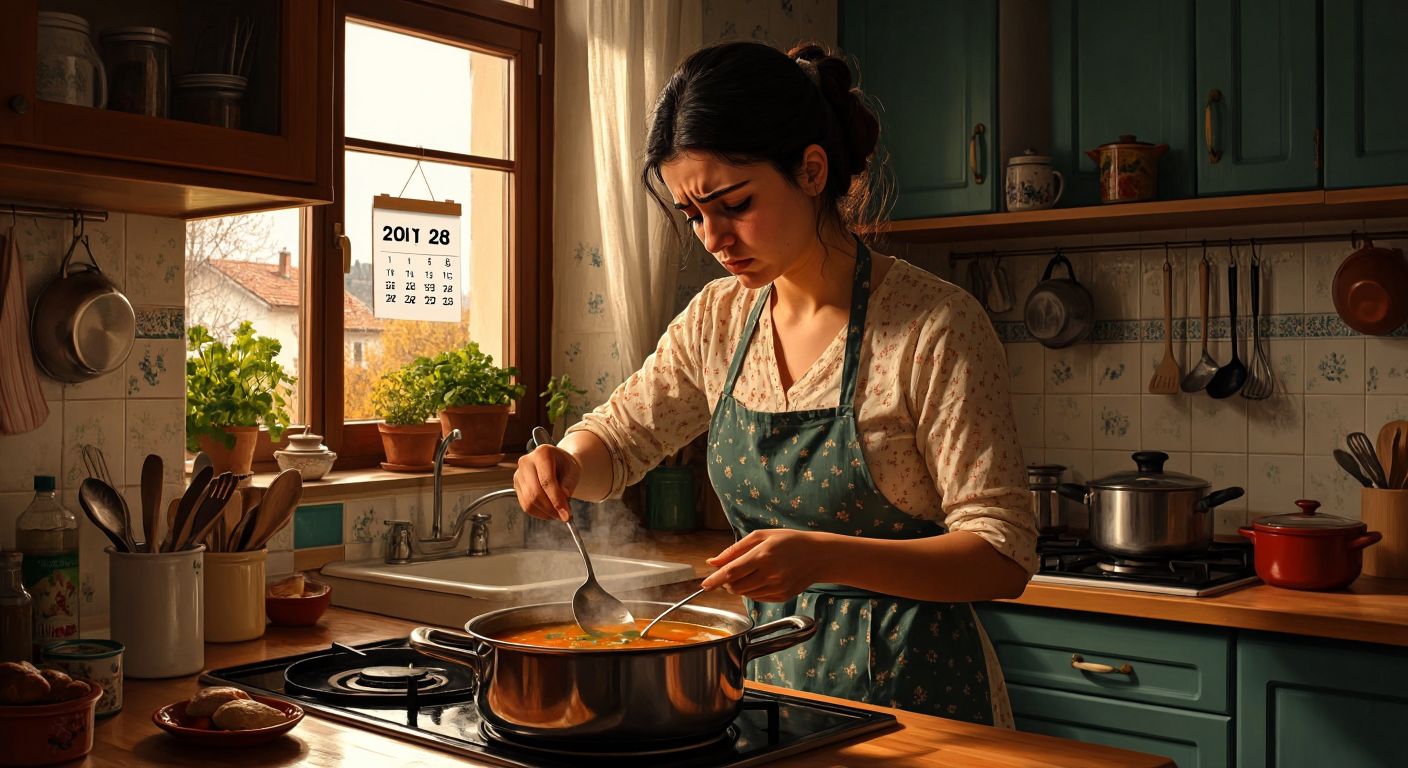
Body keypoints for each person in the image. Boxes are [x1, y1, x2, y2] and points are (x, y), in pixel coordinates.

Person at [513, 40, 1036, 727]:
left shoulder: (934, 327)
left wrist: (820, 557)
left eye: (733, 203)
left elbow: (1001, 555)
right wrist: (566, 462)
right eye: (694, 214)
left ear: (812, 170)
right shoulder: (719, 320)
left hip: (922, 709)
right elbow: (623, 437)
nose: (713, 237)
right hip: (769, 697)